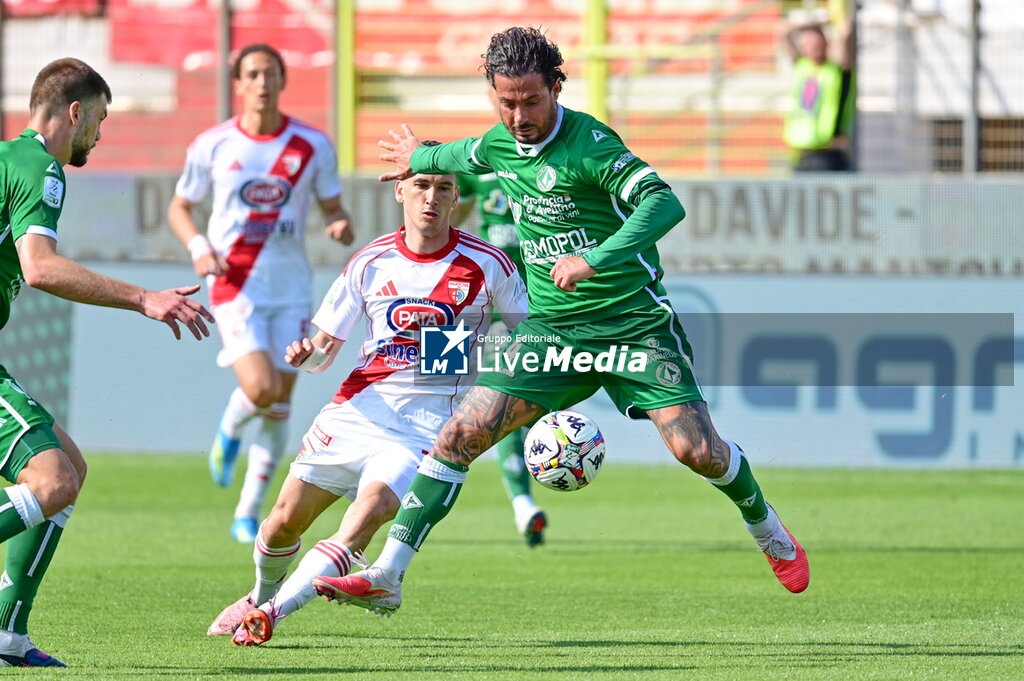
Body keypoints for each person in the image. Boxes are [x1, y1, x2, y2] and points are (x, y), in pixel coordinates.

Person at [312, 26, 810, 617]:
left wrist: (594, 259)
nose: (519, 116)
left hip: (632, 324)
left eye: (531, 101)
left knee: (697, 451)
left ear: (556, 87)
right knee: (459, 435)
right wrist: (418, 156)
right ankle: (388, 574)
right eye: (506, 102)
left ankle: (766, 527)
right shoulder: (499, 144)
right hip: (553, 331)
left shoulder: (590, 144)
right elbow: (456, 154)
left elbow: (664, 203)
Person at [205, 156, 527, 645]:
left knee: (368, 513)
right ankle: (259, 594)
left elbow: (532, 336)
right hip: (356, 412)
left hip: (425, 430)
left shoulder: (489, 263)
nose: (432, 197)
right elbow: (322, 353)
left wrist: (475, 354)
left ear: (457, 196)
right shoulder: (371, 261)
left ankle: (272, 613)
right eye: (421, 185)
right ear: (400, 191)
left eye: (444, 187)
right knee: (280, 525)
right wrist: (306, 355)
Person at [0, 58, 214, 667]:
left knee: (68, 467)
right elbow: (40, 268)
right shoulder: (39, 167)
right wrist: (144, 298)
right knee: (52, 482)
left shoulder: (5, 159)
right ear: (75, 113)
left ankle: (7, 633)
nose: (99, 134)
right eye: (99, 119)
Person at [168, 43, 355, 544]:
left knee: (280, 402)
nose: (262, 83)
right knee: (261, 389)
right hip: (236, 282)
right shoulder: (213, 144)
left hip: (291, 288)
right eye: (252, 74)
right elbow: (180, 207)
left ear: (283, 80)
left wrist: (339, 223)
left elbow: (333, 206)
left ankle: (248, 510)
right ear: (238, 83)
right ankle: (230, 428)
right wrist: (199, 247)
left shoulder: (312, 145)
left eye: (270, 73)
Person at [452, 142, 546, 546]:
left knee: (508, 395)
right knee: (434, 385)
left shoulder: (550, 163)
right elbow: (451, 220)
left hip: (528, 299)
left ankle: (522, 503)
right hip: (475, 295)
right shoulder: (478, 161)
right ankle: (377, 471)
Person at [782, 8, 856, 171]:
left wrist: (833, 18)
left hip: (828, 153)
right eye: (808, 44)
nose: (813, 48)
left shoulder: (836, 70)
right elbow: (784, 30)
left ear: (826, 43)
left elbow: (845, 32)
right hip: (802, 153)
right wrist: (818, 21)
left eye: (817, 43)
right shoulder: (802, 66)